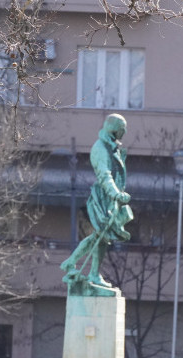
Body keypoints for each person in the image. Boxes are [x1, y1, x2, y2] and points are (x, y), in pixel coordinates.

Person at [59, 113, 133, 295]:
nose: (124, 133)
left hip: (112, 198)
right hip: (104, 197)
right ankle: (87, 271)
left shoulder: (111, 147)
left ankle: (84, 268)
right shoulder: (100, 148)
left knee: (102, 237)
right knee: (101, 235)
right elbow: (104, 175)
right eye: (123, 129)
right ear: (116, 129)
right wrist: (115, 194)